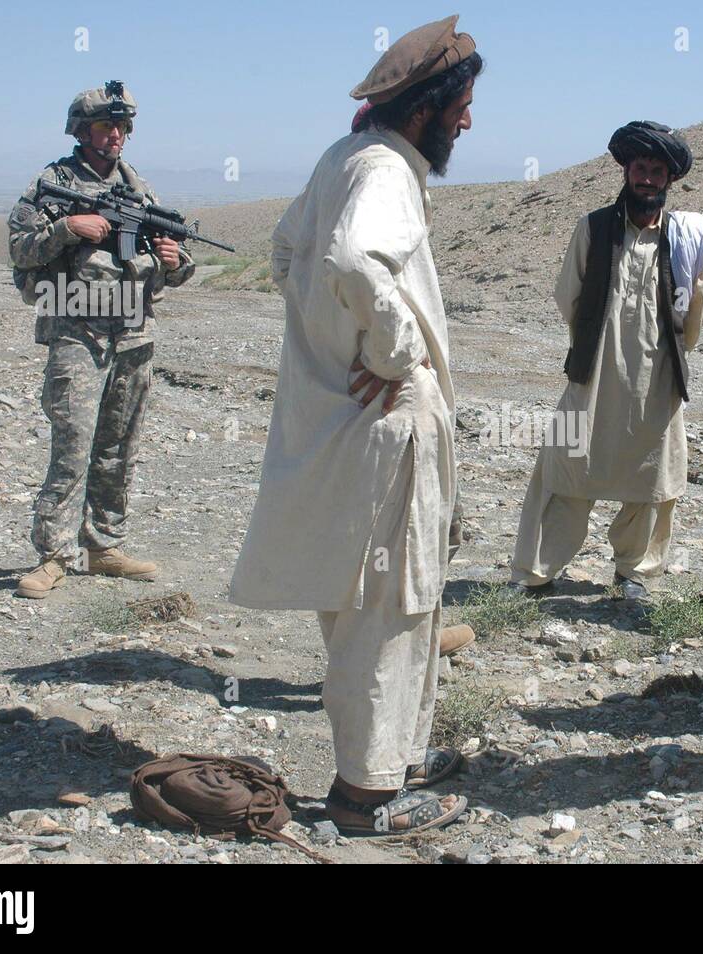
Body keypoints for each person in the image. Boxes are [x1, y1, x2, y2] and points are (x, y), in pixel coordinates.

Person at [228, 16, 482, 834]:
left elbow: (284, 254)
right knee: (387, 604)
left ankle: (396, 757)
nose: (468, 123)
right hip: (386, 428)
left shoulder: (343, 158)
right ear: (425, 108)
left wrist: (329, 341)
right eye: (461, 107)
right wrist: (393, 352)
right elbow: (348, 261)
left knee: (387, 599)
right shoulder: (384, 172)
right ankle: (367, 798)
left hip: (346, 424)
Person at [510, 121, 703, 600]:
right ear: (626, 171)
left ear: (670, 179)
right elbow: (569, 295)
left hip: (658, 377)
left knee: (653, 477)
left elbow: (693, 316)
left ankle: (635, 573)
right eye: (640, 168)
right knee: (565, 467)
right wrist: (595, 342)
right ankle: (536, 573)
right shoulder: (594, 227)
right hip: (595, 373)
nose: (647, 178)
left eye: (657, 171)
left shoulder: (685, 238)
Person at [8, 81, 194, 599]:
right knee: (73, 444)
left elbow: (175, 262)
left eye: (121, 126)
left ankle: (103, 545)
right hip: (77, 329)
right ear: (81, 130)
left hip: (134, 332)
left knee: (118, 446)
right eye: (104, 126)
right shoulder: (53, 183)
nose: (115, 135)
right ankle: (54, 554)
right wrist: (68, 227)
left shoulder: (140, 192)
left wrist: (176, 262)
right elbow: (21, 250)